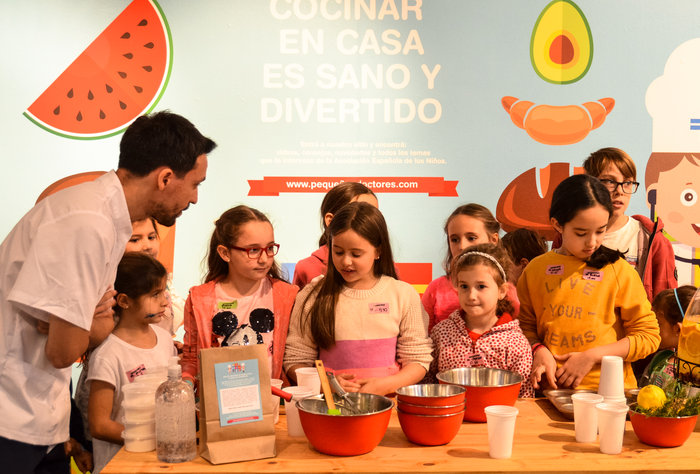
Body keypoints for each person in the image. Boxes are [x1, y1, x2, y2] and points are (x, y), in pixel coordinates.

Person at [0, 110, 215, 473]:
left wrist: (80, 321)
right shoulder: (88, 222)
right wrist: (85, 321)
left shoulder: (107, 220)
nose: (194, 198)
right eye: (195, 184)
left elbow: (87, 330)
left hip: (39, 415)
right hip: (13, 418)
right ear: (165, 178)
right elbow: (62, 350)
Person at [518, 174, 661, 391]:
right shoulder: (535, 270)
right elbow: (522, 328)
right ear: (557, 224)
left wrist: (593, 356)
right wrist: (538, 348)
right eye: (581, 233)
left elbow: (648, 336)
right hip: (550, 395)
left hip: (610, 396)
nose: (592, 242)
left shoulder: (619, 271)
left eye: (600, 231)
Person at [284, 202, 433, 396]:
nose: (346, 261)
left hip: (388, 405)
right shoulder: (313, 295)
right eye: (338, 252)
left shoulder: (402, 294)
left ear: (378, 251)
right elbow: (295, 359)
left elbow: (418, 359)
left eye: (356, 254)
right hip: (330, 408)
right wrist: (325, 384)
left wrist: (387, 385)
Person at [181, 205, 298, 390]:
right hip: (219, 403)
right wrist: (186, 383)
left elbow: (294, 355)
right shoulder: (200, 299)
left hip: (272, 401)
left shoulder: (286, 295)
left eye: (269, 248)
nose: (264, 259)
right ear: (225, 253)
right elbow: (191, 358)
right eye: (253, 250)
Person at [87, 253, 177, 473]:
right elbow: (99, 425)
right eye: (155, 294)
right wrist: (147, 440)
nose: (165, 301)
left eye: (164, 291)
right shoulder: (108, 354)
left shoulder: (164, 339)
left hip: (158, 463)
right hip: (120, 465)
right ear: (124, 301)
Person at [429, 244, 534, 397]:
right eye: (464, 286)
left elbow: (524, 395)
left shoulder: (516, 343)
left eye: (481, 286)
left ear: (501, 291)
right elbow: (429, 381)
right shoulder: (441, 333)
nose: (471, 295)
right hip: (451, 417)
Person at [582, 147, 677, 300]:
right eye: (610, 181)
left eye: (627, 183)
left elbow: (665, 306)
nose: (620, 191)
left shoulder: (651, 239)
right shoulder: (569, 234)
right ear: (589, 184)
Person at [422, 203, 519, 332]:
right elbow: (422, 336)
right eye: (455, 239)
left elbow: (518, 334)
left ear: (493, 240)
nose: (462, 246)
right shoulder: (436, 289)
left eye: (471, 238)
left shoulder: (507, 290)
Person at [293, 182, 377, 289]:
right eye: (359, 214)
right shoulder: (307, 268)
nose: (370, 222)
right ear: (330, 220)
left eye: (375, 215)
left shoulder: (385, 267)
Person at [125, 217, 185, 337]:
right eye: (135, 240)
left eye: (151, 237)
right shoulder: (107, 289)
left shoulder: (163, 279)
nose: (147, 246)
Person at [635, 285, 696, 387]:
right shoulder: (659, 359)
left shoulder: (693, 373)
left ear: (677, 329)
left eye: (658, 324)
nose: (652, 328)